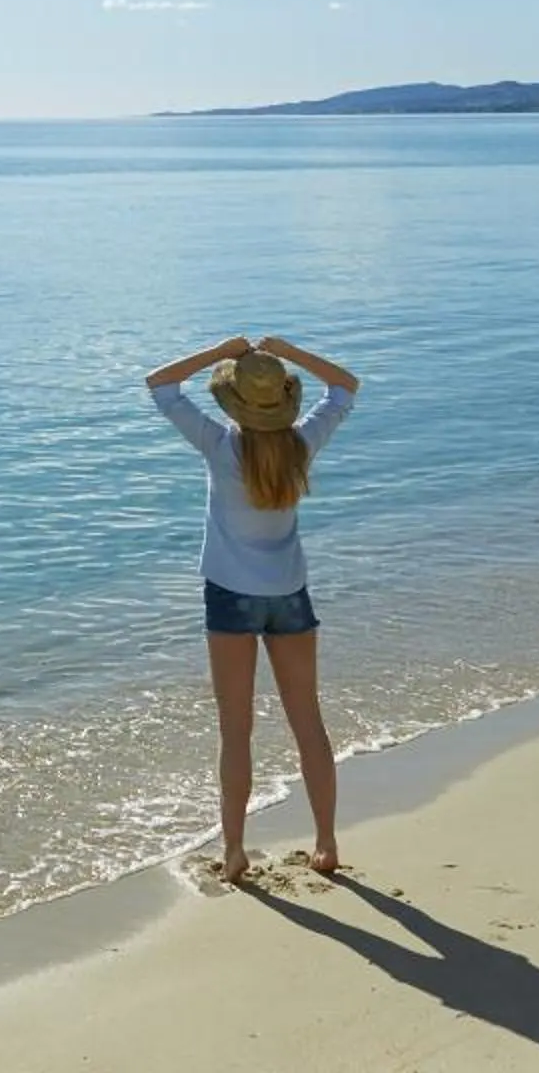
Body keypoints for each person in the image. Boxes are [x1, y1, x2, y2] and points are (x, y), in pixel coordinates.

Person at [142, 331, 363, 885]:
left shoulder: (219, 446)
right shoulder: (301, 445)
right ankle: (327, 842)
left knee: (235, 729)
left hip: (230, 598)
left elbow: (161, 385)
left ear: (234, 403)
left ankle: (236, 850)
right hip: (289, 595)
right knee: (307, 721)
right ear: (283, 401)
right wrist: (287, 354)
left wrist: (222, 353)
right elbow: (344, 388)